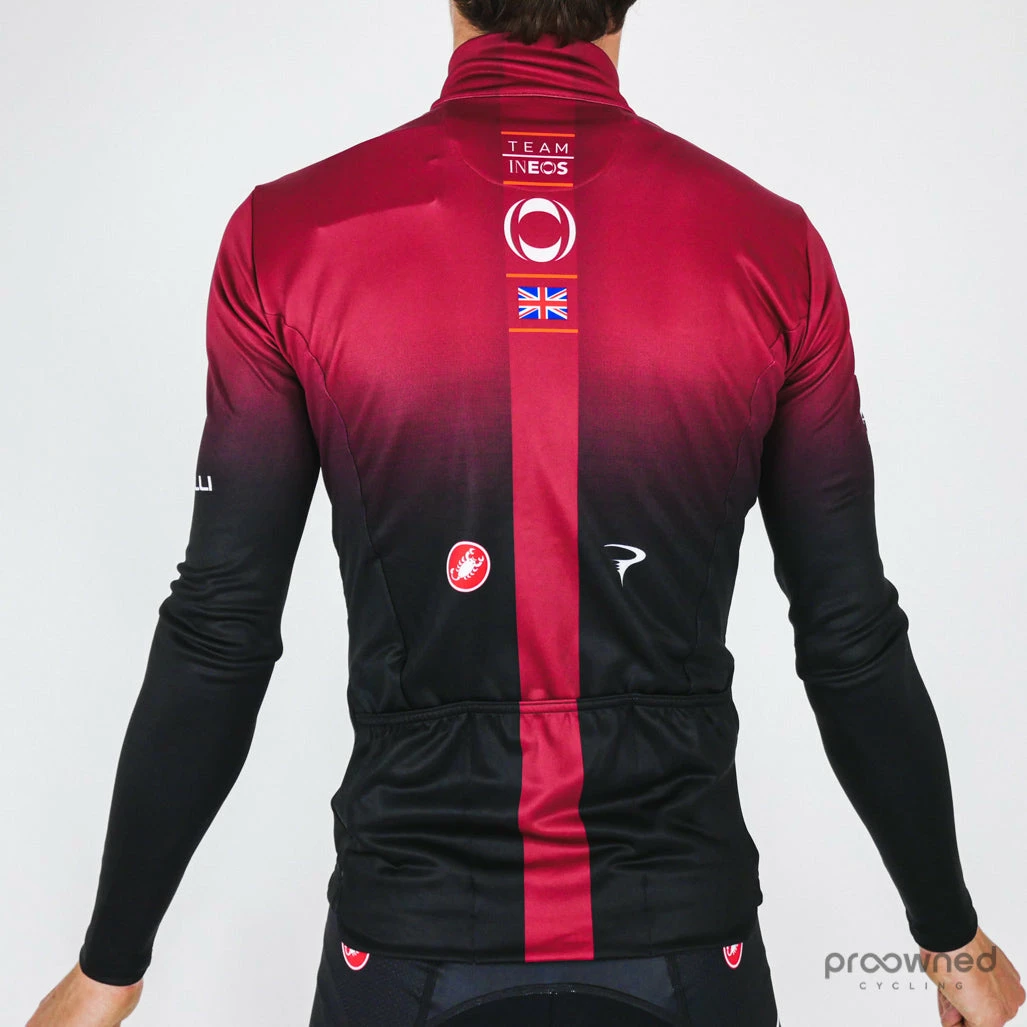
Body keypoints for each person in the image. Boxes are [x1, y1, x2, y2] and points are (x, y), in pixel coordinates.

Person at [26, 2, 1025, 1025]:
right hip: (686, 943)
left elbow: (220, 631)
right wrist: (951, 936)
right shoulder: (770, 249)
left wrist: (112, 963)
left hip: (406, 946)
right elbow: (847, 632)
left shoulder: (290, 238)